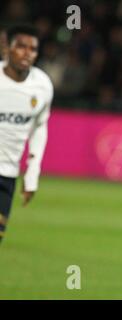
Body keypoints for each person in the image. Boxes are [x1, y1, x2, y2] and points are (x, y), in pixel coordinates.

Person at [0, 25, 53, 244]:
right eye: (21, 46)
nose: (27, 53)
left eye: (32, 49)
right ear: (7, 49)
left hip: (8, 175)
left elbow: (40, 128)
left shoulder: (42, 85)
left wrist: (32, 175)